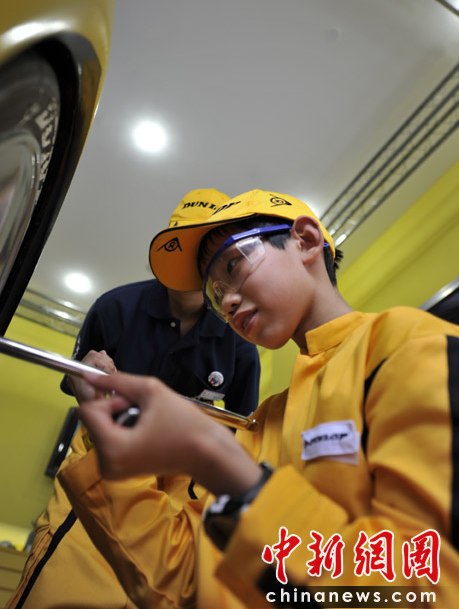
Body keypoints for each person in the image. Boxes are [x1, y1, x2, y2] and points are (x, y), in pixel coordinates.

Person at [56, 189, 459, 609]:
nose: (227, 301)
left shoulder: (407, 344)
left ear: (305, 241)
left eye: (234, 265)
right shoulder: (263, 423)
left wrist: (246, 487)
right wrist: (107, 438)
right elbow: (187, 579)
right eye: (215, 293)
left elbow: (431, 587)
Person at [7, 189, 261, 609]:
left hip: (184, 484)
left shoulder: (239, 344)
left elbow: (242, 431)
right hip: (103, 463)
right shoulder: (115, 308)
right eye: (185, 250)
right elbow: (79, 384)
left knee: (158, 588)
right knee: (64, 585)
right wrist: (88, 374)